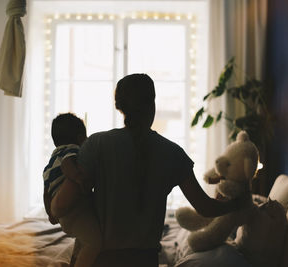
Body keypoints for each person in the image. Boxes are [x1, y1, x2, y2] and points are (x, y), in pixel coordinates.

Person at [51, 74, 247, 267]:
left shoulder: (96, 144)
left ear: (119, 107)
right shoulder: (173, 153)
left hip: (101, 260)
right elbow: (205, 208)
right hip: (144, 261)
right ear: (152, 105)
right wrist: (236, 203)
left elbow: (63, 203)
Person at [43, 113, 101, 267]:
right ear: (81, 137)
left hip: (64, 217)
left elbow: (46, 191)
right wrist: (78, 178)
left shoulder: (50, 163)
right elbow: (67, 164)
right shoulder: (72, 150)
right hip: (75, 210)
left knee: (83, 239)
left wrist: (50, 213)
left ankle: (74, 260)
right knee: (94, 243)